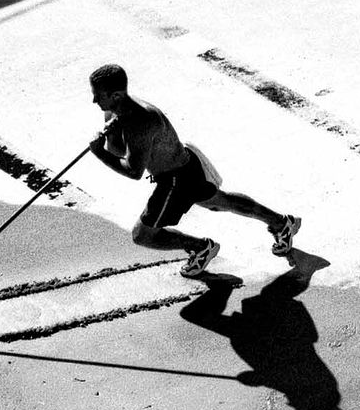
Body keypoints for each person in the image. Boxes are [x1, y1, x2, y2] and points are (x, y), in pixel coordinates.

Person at [87, 62, 301, 278]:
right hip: (184, 166)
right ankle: (281, 222)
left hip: (175, 180)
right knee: (220, 201)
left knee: (143, 236)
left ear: (116, 95)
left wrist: (99, 153)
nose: (94, 100)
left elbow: (134, 171)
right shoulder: (115, 112)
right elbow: (119, 151)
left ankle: (200, 248)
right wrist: (111, 135)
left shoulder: (139, 121)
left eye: (98, 95)